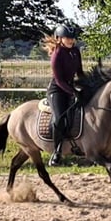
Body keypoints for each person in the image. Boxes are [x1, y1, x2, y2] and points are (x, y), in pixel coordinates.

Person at [42, 24, 84, 166]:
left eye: (72, 38)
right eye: (68, 38)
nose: (71, 41)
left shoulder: (75, 52)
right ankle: (56, 152)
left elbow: (80, 72)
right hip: (57, 90)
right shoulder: (57, 54)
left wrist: (86, 85)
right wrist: (74, 92)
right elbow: (59, 80)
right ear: (59, 38)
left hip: (70, 87)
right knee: (59, 119)